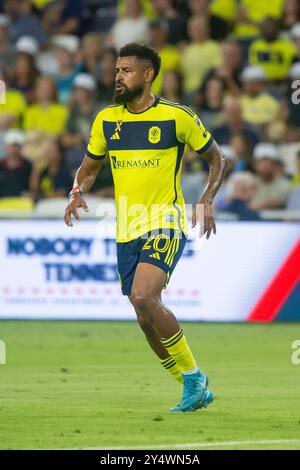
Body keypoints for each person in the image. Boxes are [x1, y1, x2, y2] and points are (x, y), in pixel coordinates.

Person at [64, 42, 228, 413]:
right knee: (143, 315)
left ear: (148, 74)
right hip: (126, 228)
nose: (118, 76)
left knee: (143, 296)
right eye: (117, 70)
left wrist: (206, 197)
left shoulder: (178, 116)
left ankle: (193, 380)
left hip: (164, 221)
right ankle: (192, 381)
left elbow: (218, 158)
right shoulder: (107, 119)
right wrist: (76, 192)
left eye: (126, 71)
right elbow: (89, 169)